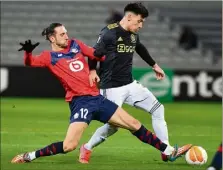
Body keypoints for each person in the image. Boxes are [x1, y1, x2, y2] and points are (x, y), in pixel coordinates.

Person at [11, 23, 192, 164]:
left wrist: (98, 63)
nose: (67, 36)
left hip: (97, 98)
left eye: (66, 32)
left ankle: (169, 152)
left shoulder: (75, 44)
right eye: (62, 34)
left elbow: (95, 54)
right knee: (69, 146)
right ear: (52, 38)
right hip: (80, 102)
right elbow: (30, 62)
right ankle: (30, 156)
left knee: (134, 123)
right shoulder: (48, 57)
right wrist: (27, 52)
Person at [79, 2, 173, 163]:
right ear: (129, 17)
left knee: (158, 109)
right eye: (140, 21)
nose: (141, 25)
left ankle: (166, 149)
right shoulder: (109, 33)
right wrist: (92, 71)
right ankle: (87, 147)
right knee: (114, 126)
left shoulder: (133, 34)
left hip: (130, 84)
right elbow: (94, 53)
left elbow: (140, 47)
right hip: (111, 87)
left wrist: (154, 65)